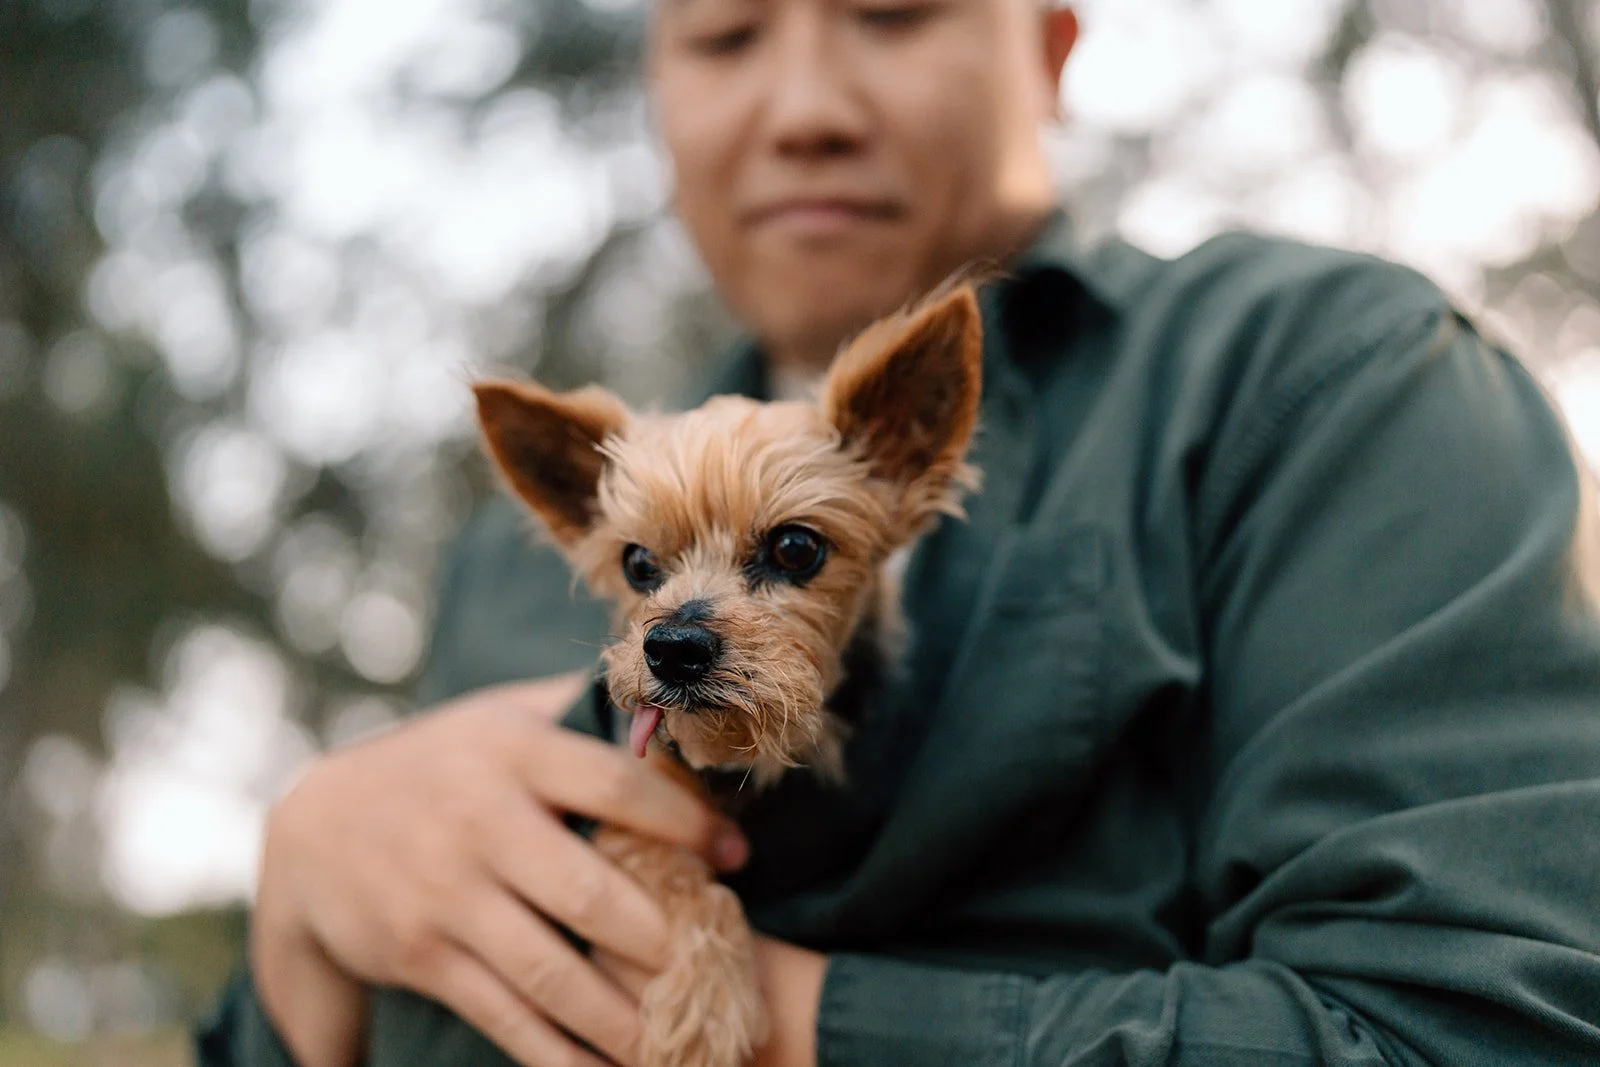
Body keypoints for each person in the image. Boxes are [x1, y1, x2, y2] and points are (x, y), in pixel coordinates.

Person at [196, 0, 1600, 1064]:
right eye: (727, 32)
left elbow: (1483, 1023)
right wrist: (302, 905)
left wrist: (769, 1012)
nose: (803, 103)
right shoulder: (505, 566)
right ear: (660, 90)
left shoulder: (1319, 380)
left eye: (891, 9)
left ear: (1048, 43)